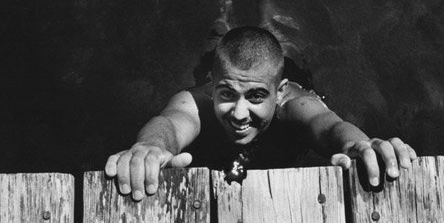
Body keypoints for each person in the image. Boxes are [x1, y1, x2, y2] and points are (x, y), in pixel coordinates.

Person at [104, 26, 417, 201]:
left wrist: (358, 146)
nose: (240, 114)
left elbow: (328, 126)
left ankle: (265, 8)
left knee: (273, 44)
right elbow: (170, 124)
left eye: (255, 97)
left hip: (280, 69)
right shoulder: (197, 99)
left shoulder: (294, 103)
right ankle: (223, 21)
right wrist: (152, 148)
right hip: (234, 69)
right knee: (215, 39)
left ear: (279, 93)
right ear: (212, 87)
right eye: (227, 95)